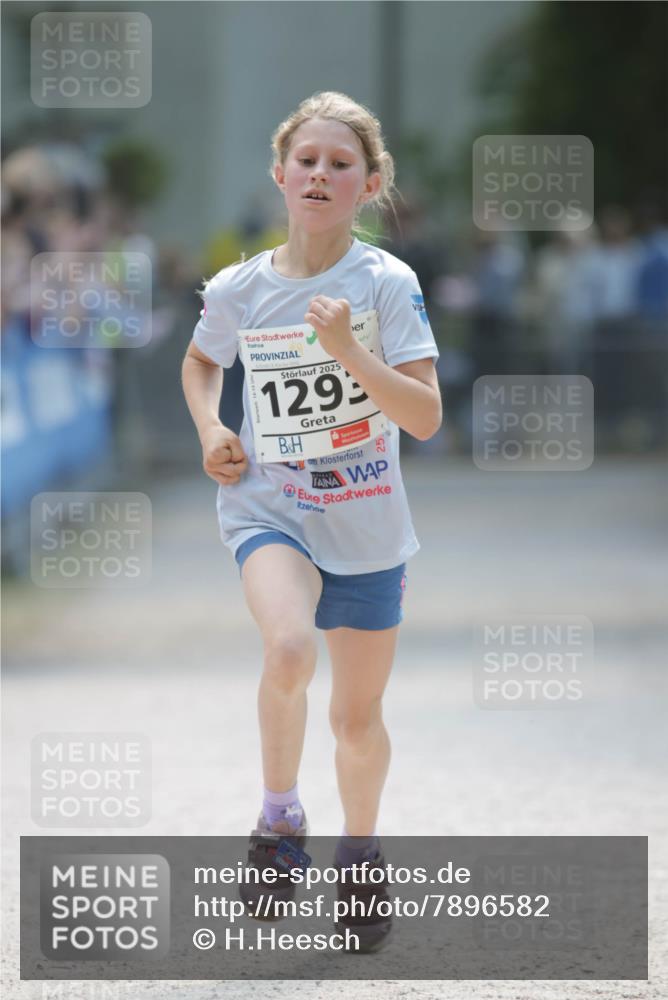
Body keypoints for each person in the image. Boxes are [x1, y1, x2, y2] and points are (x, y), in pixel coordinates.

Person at [181, 91, 442, 951]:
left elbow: (426, 417)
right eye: (308, 161)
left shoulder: (385, 283)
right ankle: (279, 825)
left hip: (366, 522)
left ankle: (360, 855)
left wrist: (350, 352)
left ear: (368, 186)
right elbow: (199, 360)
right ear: (281, 173)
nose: (321, 174)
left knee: (356, 721)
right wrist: (215, 426)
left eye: (341, 164)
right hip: (271, 506)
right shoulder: (241, 286)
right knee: (289, 649)